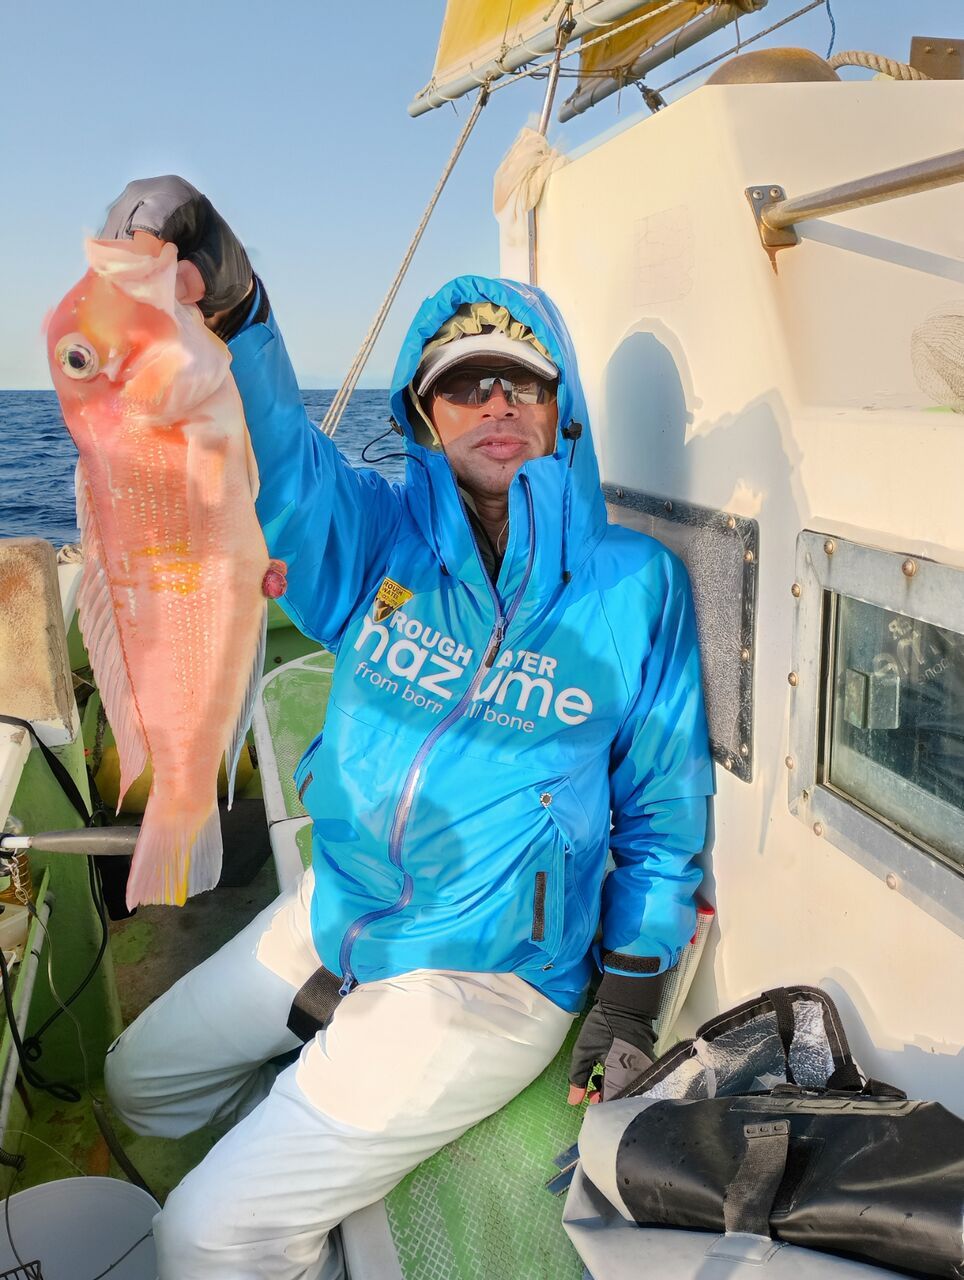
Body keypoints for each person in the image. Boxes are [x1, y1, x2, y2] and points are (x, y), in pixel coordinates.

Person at [100, 177, 714, 1280]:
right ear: (426, 416)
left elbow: (664, 810)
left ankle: (274, 1221)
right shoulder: (379, 537)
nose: (495, 401)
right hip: (340, 909)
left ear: (560, 409)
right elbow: (280, 461)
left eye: (521, 380)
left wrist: (629, 992)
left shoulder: (636, 587)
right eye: (463, 384)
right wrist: (236, 310)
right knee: (136, 1082)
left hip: (485, 975)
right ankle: (301, 1174)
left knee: (204, 1235)